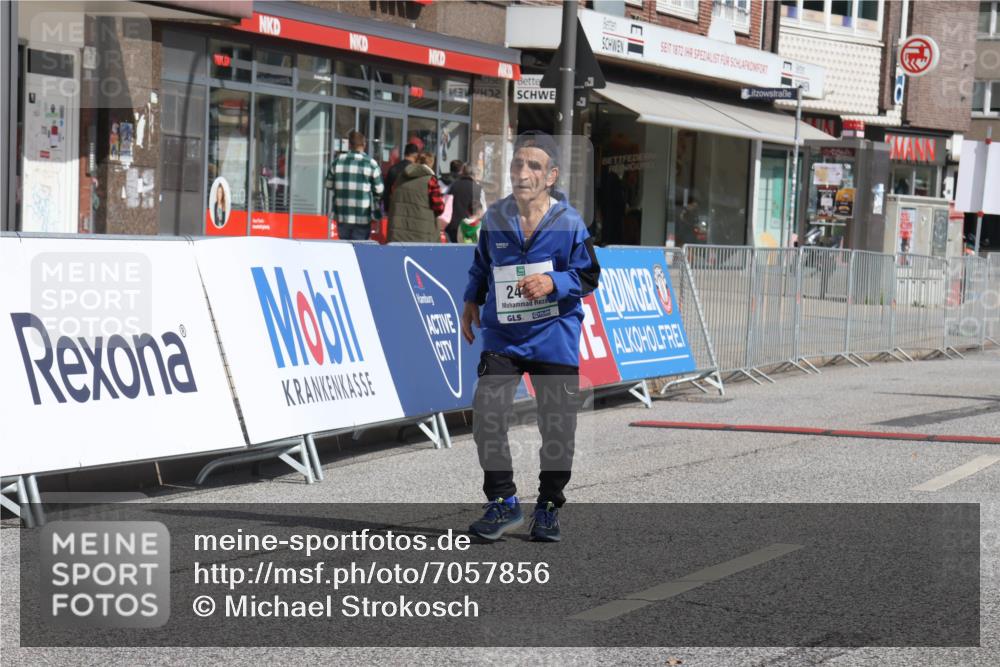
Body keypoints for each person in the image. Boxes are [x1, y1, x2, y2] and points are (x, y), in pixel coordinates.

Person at [460, 131, 601, 542]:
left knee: (557, 428)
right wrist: (471, 301)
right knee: (487, 414)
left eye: (534, 166)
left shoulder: (569, 222)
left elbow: (589, 275)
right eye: (518, 164)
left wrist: (552, 282)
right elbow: (482, 266)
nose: (523, 172)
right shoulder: (496, 217)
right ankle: (502, 502)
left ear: (551, 175)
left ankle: (549, 505)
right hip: (503, 336)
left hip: (553, 336)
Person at [327, 130, 384, 240]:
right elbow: (379, 189)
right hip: (362, 216)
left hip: (342, 215)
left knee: (345, 250)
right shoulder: (371, 163)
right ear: (364, 144)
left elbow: (329, 184)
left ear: (349, 145)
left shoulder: (337, 161)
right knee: (359, 249)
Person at [387, 151, 445, 243]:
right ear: (431, 164)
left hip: (398, 234)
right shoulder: (430, 180)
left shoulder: (400, 178)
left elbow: (392, 197)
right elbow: (439, 207)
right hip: (423, 234)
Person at [445, 164, 484, 243]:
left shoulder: (453, 186)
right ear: (475, 175)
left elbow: (446, 204)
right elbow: (482, 210)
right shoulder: (477, 188)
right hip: (469, 228)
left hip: (452, 227)